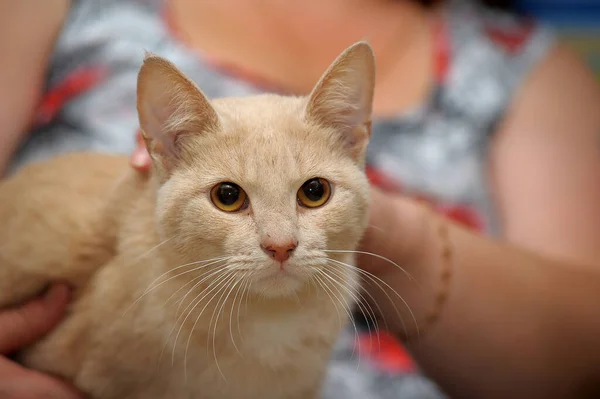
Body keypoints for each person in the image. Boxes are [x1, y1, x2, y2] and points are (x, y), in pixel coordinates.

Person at [2, 0, 600, 398]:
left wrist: (402, 239)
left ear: (355, 134)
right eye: (230, 196)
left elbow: (583, 363)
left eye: (313, 192)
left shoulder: (514, 60)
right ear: (164, 145)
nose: (280, 240)